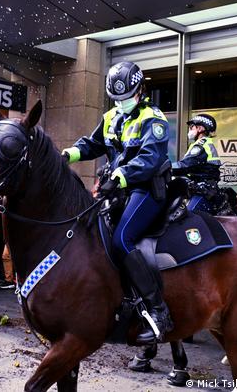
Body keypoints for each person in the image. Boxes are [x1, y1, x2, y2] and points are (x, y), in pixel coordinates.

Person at [61, 61, 173, 344]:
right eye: (117, 99)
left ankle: (158, 311)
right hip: (119, 190)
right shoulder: (111, 116)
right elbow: (92, 144)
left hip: (146, 188)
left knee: (122, 239)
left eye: (127, 97)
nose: (121, 103)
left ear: (141, 90)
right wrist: (69, 154)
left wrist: (120, 176)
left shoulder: (154, 118)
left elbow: (149, 159)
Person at [172, 114, 222, 213]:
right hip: (199, 189)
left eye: (191, 127)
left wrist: (165, 168)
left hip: (204, 192)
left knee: (188, 218)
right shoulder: (198, 144)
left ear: (200, 128)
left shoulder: (201, 145)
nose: (189, 130)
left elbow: (186, 165)